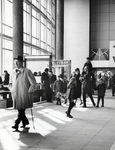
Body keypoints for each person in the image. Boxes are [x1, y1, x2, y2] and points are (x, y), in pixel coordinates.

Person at [10, 55, 36, 131]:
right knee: (20, 109)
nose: (16, 64)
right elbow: (10, 83)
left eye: (18, 62)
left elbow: (33, 83)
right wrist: (12, 89)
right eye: (15, 62)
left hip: (24, 93)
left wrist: (30, 90)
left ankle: (16, 124)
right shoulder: (12, 72)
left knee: (21, 109)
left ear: (22, 62)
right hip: (16, 93)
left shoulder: (27, 71)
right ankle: (25, 122)